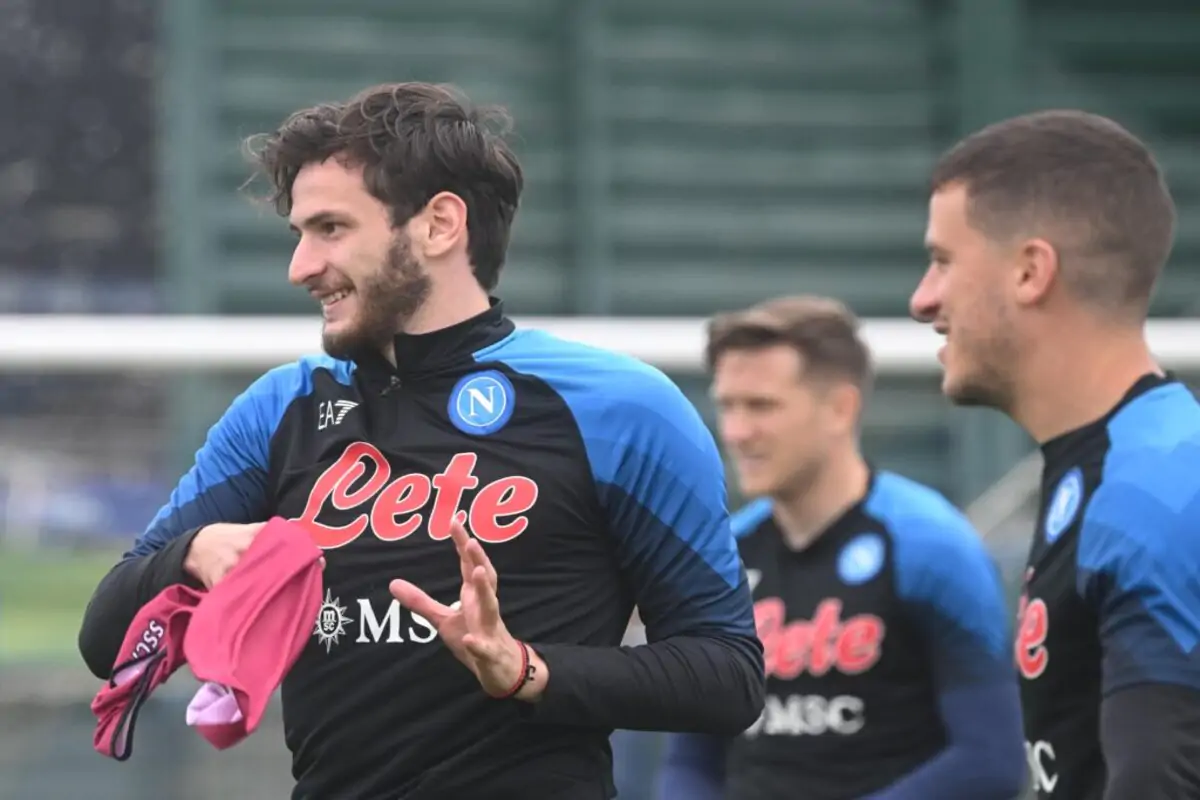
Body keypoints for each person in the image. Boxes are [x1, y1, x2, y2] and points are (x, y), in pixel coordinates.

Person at [77, 82, 764, 800]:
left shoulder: (621, 408)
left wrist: (528, 671)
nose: (300, 267)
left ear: (439, 225)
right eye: (300, 234)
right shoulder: (279, 409)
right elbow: (105, 643)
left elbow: (728, 676)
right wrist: (191, 553)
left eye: (331, 228)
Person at [910, 108, 1200, 799]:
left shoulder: (1152, 492)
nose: (923, 300)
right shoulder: (1106, 469)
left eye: (943, 261)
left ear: (1030, 271)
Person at [655, 296, 1024, 800]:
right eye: (727, 406)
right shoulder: (721, 557)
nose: (736, 432)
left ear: (840, 409)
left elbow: (991, 761)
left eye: (761, 406)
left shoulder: (929, 545)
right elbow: (690, 762)